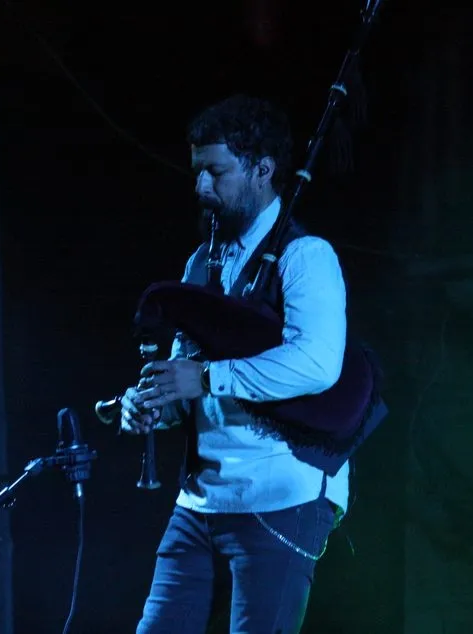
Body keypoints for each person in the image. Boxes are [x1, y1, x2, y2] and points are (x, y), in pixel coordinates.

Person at [118, 94, 350, 634]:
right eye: (197, 172)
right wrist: (156, 403)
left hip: (282, 494)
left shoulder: (306, 255)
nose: (201, 187)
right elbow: (187, 377)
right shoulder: (201, 261)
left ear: (262, 170)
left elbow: (316, 363)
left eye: (216, 172)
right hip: (201, 499)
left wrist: (204, 377)